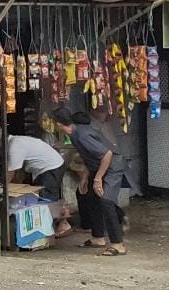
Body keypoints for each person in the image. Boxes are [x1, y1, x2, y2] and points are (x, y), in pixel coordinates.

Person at [51, 107, 127, 256]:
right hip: (97, 167)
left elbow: (107, 154)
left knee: (106, 201)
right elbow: (88, 156)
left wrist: (98, 178)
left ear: (59, 124)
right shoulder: (74, 133)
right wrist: (86, 176)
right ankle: (98, 238)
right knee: (89, 196)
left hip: (112, 167)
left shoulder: (81, 135)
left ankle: (118, 244)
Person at [6, 134, 65, 200]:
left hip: (51, 167)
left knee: (46, 197)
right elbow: (18, 171)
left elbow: (11, 172)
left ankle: (50, 209)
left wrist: (3, 188)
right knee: (37, 194)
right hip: (49, 166)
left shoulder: (15, 146)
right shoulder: (17, 140)